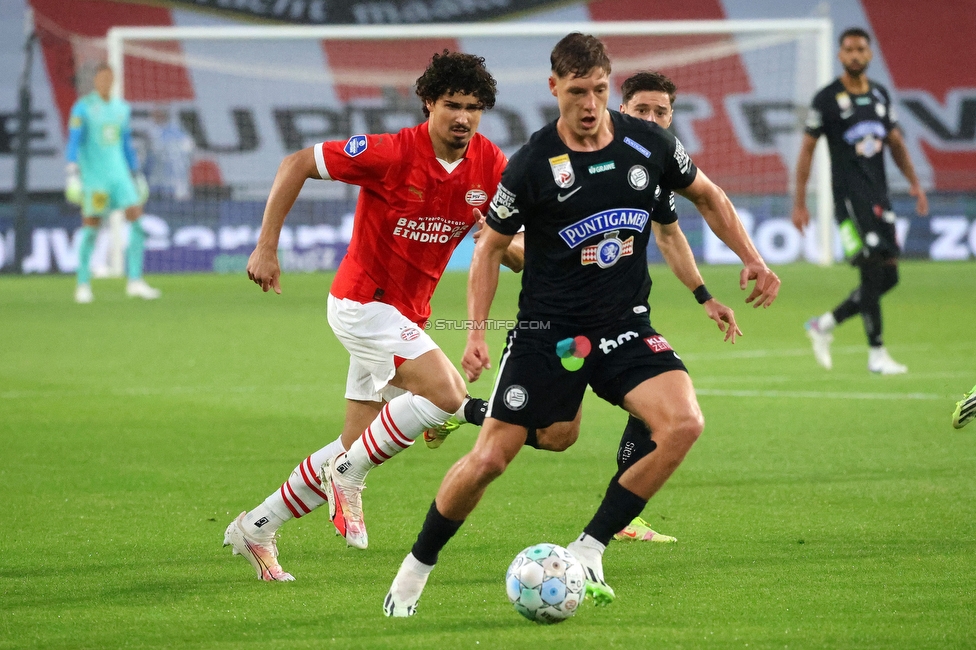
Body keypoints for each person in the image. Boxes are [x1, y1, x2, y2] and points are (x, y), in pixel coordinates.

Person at [383, 33, 780, 617]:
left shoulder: (650, 143)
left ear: (608, 85)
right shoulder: (533, 164)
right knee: (511, 452)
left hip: (624, 325)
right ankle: (414, 571)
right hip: (553, 333)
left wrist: (751, 258)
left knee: (683, 423)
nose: (590, 104)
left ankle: (590, 548)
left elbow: (709, 195)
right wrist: (474, 333)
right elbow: (490, 248)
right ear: (554, 89)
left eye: (598, 90)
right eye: (577, 92)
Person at [224, 51, 516, 581]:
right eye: (452, 104)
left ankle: (256, 527)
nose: (463, 118)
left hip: (407, 316)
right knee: (446, 396)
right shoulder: (389, 153)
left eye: (474, 108)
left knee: (355, 440)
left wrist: (507, 244)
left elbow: (510, 250)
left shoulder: (490, 164)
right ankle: (349, 475)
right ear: (429, 103)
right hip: (361, 304)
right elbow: (295, 163)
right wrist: (266, 246)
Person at [792, 27, 928, 375]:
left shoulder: (881, 96)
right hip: (850, 202)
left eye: (860, 49)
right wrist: (799, 202)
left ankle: (823, 325)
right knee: (871, 272)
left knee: (889, 277)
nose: (855, 55)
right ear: (840, 55)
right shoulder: (826, 99)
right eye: (849, 49)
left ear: (869, 54)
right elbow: (807, 150)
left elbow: (896, 143)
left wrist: (915, 183)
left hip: (880, 199)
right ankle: (877, 354)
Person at [65, 63, 160, 303]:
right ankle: (83, 283)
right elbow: (74, 139)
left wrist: (136, 172)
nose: (105, 82)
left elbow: (126, 143)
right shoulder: (84, 108)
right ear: (96, 81)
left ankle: (135, 281)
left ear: (114, 80)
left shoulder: (122, 109)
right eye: (101, 79)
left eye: (109, 78)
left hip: (119, 176)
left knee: (137, 221)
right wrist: (72, 169)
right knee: (91, 229)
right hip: (95, 178)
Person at [144, 105, 195, 201]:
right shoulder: (182, 134)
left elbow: (147, 161)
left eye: (154, 115)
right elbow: (191, 158)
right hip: (180, 190)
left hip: (159, 189)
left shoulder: (153, 134)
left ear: (160, 116)